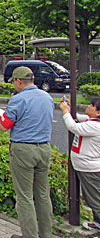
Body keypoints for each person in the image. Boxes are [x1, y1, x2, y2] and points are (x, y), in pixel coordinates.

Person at [0, 66, 54, 238]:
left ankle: (30, 235)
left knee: (25, 197)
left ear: (19, 81)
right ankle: (46, 234)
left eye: (14, 81)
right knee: (42, 194)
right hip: (44, 148)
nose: (14, 84)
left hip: (23, 150)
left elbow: (4, 126)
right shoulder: (47, 97)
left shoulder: (18, 100)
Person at [60, 96, 100, 232]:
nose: (88, 106)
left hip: (90, 169)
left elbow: (73, 126)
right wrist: (68, 107)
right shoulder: (92, 121)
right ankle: (97, 223)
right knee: (92, 198)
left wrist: (65, 111)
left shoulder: (95, 126)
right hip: (86, 166)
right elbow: (76, 117)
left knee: (95, 200)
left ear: (98, 112)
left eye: (91, 105)